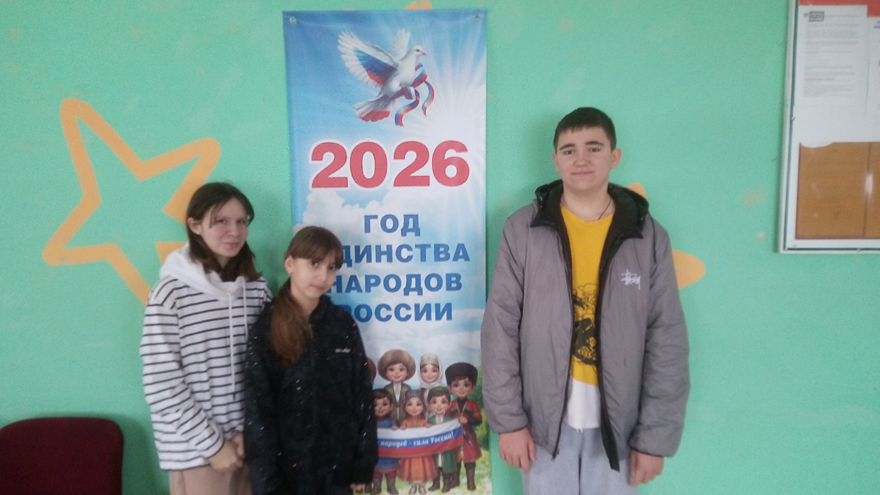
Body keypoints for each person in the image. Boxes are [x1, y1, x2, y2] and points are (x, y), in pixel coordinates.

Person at [480, 107, 689, 495]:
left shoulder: (647, 236)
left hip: (620, 428)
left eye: (594, 148)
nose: (581, 159)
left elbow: (667, 339)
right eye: (569, 150)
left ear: (615, 156)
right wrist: (509, 422)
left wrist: (654, 438)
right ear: (555, 160)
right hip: (542, 426)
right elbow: (500, 329)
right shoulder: (523, 229)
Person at [141, 182, 272, 495]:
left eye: (241, 221)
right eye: (221, 221)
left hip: (250, 447)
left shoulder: (256, 289)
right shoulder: (170, 294)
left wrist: (251, 429)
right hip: (197, 456)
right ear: (195, 225)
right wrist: (213, 445)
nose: (234, 231)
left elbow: (269, 368)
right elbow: (161, 383)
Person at [244, 226, 377, 495]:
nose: (323, 276)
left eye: (331, 267)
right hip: (287, 476)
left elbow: (361, 393)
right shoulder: (266, 328)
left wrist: (364, 462)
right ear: (290, 264)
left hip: (339, 472)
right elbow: (258, 412)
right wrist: (267, 482)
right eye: (314, 263)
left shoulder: (342, 324)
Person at [444, 362, 482, 491]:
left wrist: (468, 420)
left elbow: (478, 419)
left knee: (470, 461)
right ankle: (456, 480)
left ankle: (471, 481)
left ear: (473, 387)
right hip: (454, 438)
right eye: (456, 385)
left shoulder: (472, 404)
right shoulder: (450, 405)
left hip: (468, 436)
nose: (461, 388)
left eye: (466, 385)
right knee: (455, 460)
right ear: (450, 388)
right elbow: (446, 419)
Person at [397, 391, 437, 495]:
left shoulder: (423, 421)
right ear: (405, 408)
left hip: (422, 452)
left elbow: (429, 434)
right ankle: (413, 486)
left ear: (423, 407)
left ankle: (422, 486)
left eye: (418, 404)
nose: (414, 408)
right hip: (410, 452)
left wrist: (428, 428)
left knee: (423, 468)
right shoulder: (405, 422)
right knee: (411, 468)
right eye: (410, 404)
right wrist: (402, 429)